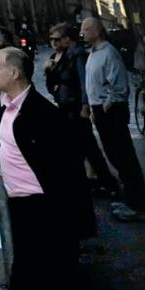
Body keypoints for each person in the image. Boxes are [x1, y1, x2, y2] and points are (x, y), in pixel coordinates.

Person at [0, 46, 94, 290]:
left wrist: (74, 226)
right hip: (24, 211)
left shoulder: (39, 114)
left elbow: (67, 171)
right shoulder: (8, 106)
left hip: (44, 213)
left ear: (15, 73)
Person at [80, 15, 145, 220]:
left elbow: (117, 84)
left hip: (111, 111)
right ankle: (130, 199)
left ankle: (138, 205)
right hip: (100, 110)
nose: (82, 32)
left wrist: (107, 104)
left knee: (124, 156)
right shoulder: (93, 53)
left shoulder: (109, 53)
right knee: (115, 156)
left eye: (86, 29)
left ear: (97, 31)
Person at [44, 22, 118, 195]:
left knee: (88, 147)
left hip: (76, 107)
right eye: (51, 40)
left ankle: (106, 183)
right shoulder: (56, 57)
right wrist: (49, 70)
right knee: (80, 147)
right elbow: (52, 86)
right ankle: (95, 180)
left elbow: (84, 83)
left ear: (67, 40)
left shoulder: (76, 56)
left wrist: (85, 105)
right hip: (64, 107)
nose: (53, 43)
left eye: (57, 39)